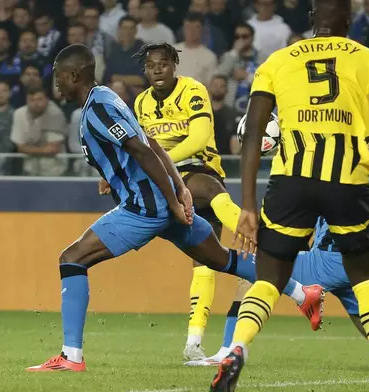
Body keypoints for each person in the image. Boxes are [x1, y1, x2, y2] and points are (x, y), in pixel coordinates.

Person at [25, 44, 312, 373]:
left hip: (145, 207)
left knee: (72, 259)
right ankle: (302, 293)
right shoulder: (108, 99)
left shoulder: (99, 107)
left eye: (60, 77)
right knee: (222, 258)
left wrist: (176, 199)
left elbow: (143, 152)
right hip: (161, 203)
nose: (56, 83)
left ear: (74, 75)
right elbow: (153, 144)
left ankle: (71, 356)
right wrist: (179, 191)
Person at [209, 0, 369, 390]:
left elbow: (252, 134)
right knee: (365, 277)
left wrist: (248, 204)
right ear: (350, 21)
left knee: (268, 277)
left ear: (311, 19)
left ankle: (237, 347)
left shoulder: (276, 62)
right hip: (347, 181)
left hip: (290, 183)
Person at [194, 128, 369, 369]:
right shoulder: (348, 159)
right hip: (353, 263)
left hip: (329, 260)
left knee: (250, 275)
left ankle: (227, 352)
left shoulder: (367, 158)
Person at [129, 42, 324, 362]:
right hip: (166, 181)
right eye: (150, 66)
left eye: (163, 64)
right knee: (205, 261)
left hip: (199, 168)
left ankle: (273, 242)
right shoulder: (141, 103)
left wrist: (157, 161)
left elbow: (199, 138)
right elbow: (139, 146)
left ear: (174, 65)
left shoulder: (192, 91)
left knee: (208, 193)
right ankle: (195, 341)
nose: (157, 71)